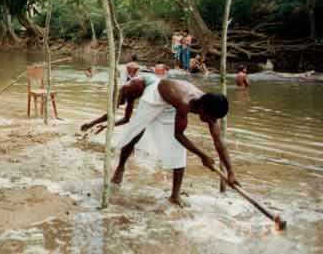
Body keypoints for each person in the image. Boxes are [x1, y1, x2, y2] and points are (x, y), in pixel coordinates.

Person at [81, 77, 235, 206]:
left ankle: (175, 196)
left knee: (178, 151)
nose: (210, 121)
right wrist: (203, 156)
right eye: (209, 117)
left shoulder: (210, 109)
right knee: (136, 132)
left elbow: (218, 141)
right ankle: (120, 168)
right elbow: (179, 135)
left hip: (170, 103)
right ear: (203, 107)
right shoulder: (184, 102)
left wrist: (231, 172)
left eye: (213, 118)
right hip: (155, 95)